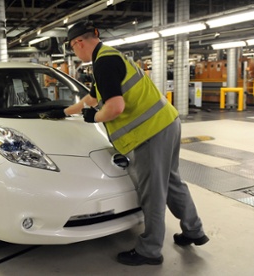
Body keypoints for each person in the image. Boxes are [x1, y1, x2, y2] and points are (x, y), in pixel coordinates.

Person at [44, 21, 209, 266]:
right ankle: (194, 231)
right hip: (166, 122)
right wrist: (67, 111)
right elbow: (93, 96)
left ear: (78, 43)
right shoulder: (108, 56)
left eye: (72, 48)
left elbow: (114, 107)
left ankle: (150, 251)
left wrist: (93, 117)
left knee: (153, 193)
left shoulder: (104, 62)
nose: (74, 54)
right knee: (172, 181)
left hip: (150, 132)